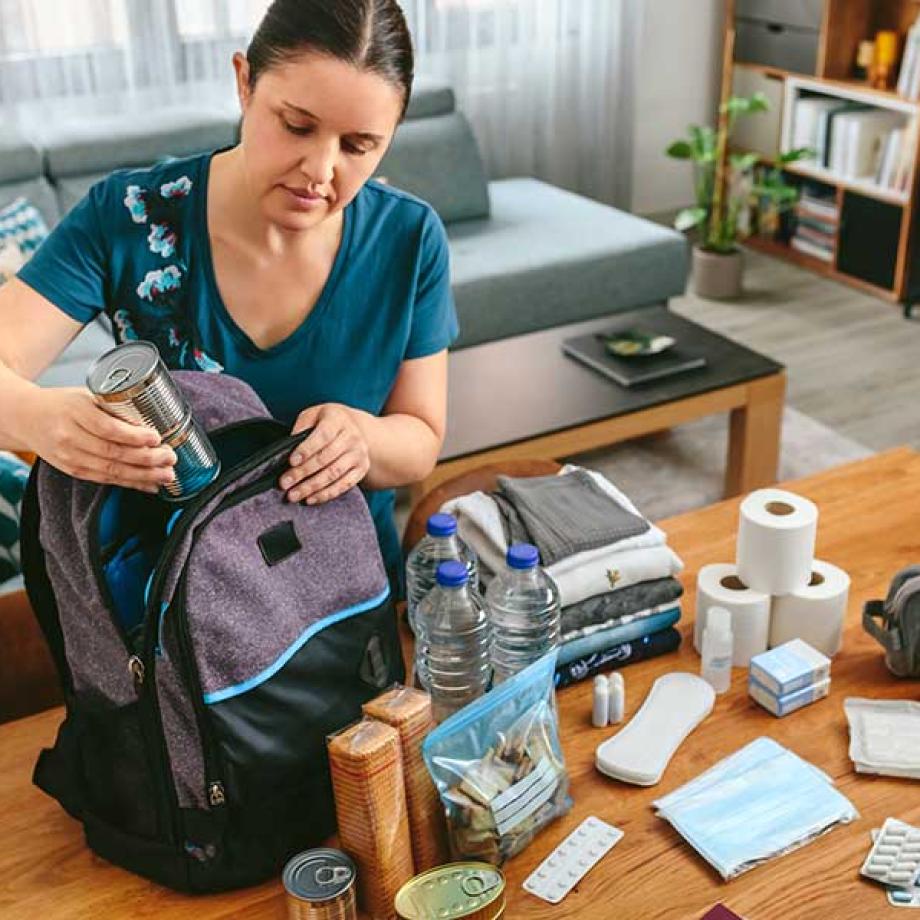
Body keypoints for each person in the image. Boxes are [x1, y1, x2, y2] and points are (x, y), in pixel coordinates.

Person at [0, 0, 457, 592]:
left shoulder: (409, 240)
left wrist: (363, 439)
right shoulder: (128, 217)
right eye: (296, 125)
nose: (320, 169)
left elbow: (420, 435)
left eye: (358, 145)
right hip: (175, 610)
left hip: (344, 602)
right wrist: (38, 419)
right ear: (244, 82)